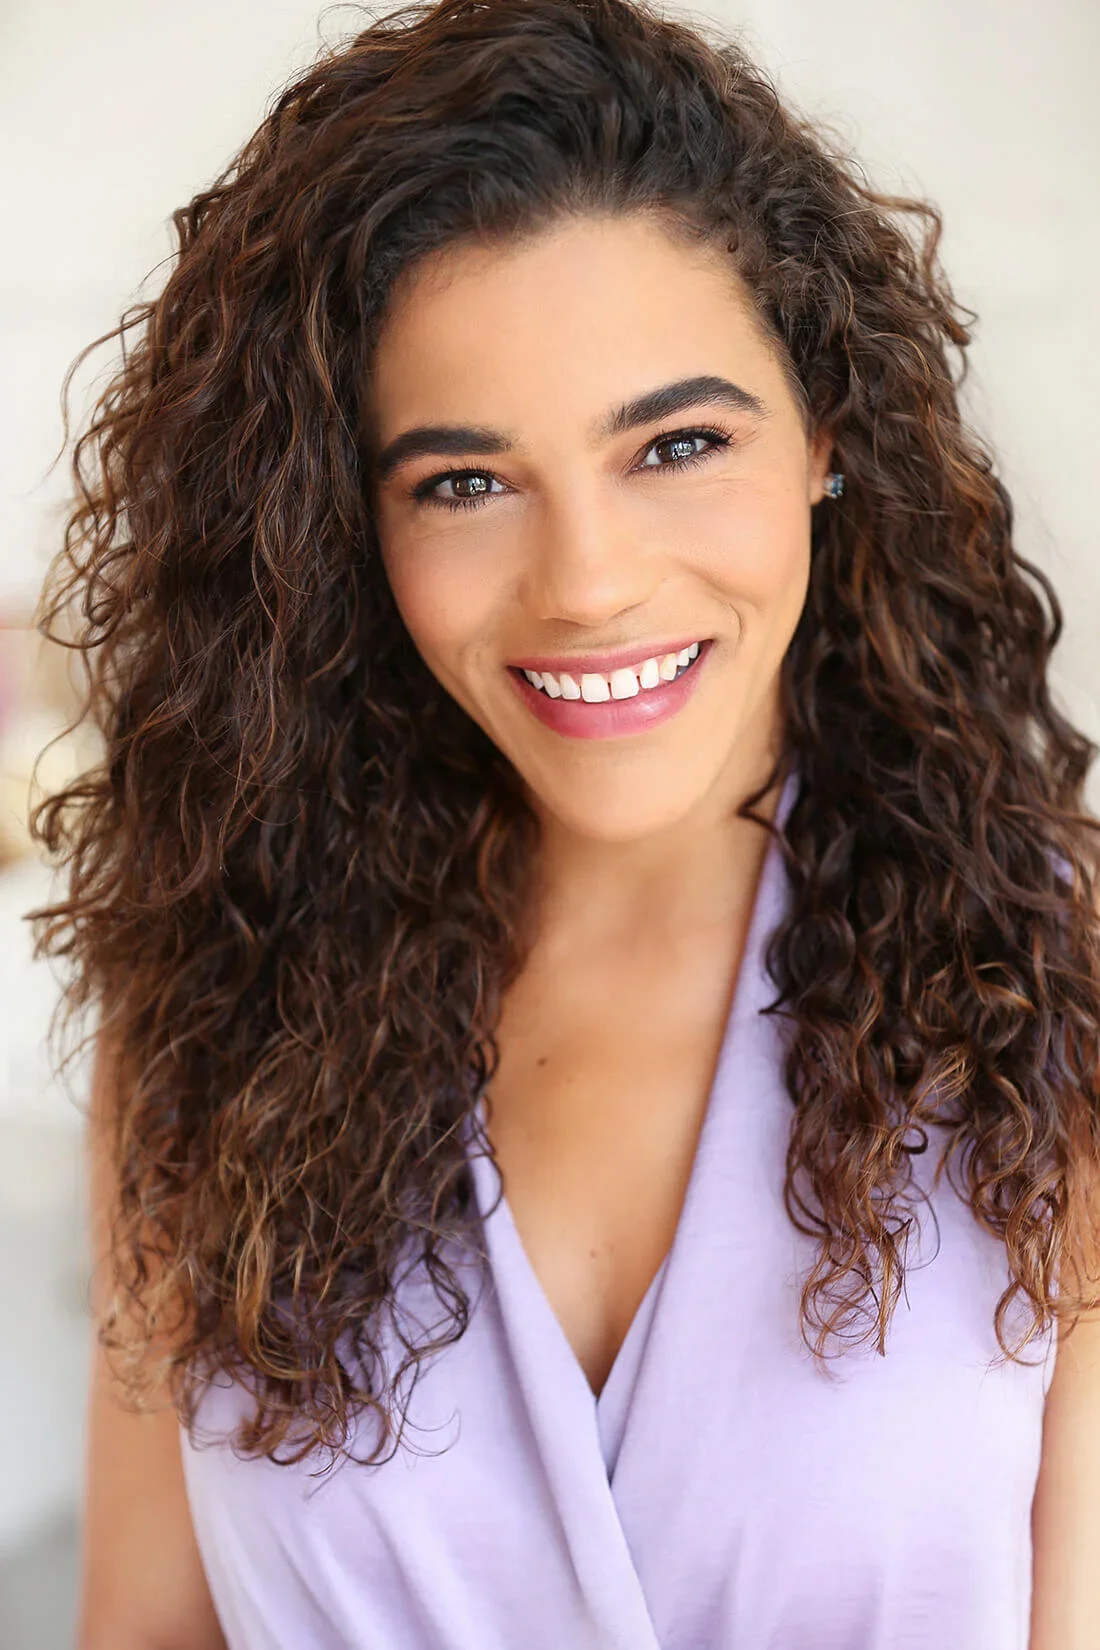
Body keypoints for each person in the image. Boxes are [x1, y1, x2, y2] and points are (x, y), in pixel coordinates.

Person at [27, 0, 1100, 1644]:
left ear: (826, 433)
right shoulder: (208, 1010)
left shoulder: (1061, 989)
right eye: (462, 481)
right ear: (344, 524)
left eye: (678, 443)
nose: (587, 583)